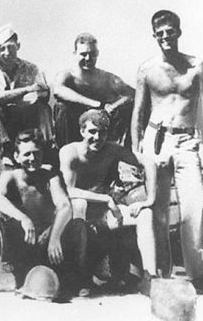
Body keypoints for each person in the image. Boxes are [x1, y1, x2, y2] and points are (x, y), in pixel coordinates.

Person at [131, 10, 203, 296]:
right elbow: (138, 112)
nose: (166, 37)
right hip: (156, 139)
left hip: (187, 141)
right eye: (160, 33)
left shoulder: (196, 67)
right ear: (154, 36)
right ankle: (161, 274)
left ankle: (200, 276)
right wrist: (137, 150)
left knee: (194, 207)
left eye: (170, 31)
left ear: (178, 32)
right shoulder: (147, 70)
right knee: (158, 210)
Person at [59, 109, 157, 293]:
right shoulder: (70, 152)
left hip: (103, 215)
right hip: (76, 218)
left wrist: (149, 200)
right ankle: (80, 279)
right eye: (92, 132)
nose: (98, 137)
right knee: (80, 203)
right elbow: (68, 191)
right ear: (82, 132)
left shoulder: (111, 150)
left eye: (103, 132)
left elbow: (149, 163)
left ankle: (150, 278)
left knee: (146, 214)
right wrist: (105, 198)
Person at [0, 130, 88, 298]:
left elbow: (64, 206)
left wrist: (54, 238)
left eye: (36, 154)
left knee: (78, 225)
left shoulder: (51, 176)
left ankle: (75, 280)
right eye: (27, 155)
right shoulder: (9, 176)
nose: (32, 159)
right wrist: (24, 219)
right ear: (17, 157)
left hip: (48, 242)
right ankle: (19, 276)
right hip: (24, 242)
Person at [0, 24, 53, 166]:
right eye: (2, 49)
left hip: (17, 120)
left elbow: (42, 92)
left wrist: (11, 98)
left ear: (18, 46)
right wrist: (25, 91)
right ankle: (6, 152)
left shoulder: (31, 69)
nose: (7, 52)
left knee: (43, 108)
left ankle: (46, 149)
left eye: (11, 47)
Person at [53, 33, 134, 148]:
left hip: (101, 127)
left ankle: (124, 151)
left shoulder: (107, 78)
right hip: (74, 130)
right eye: (83, 54)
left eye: (92, 54)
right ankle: (64, 154)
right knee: (62, 107)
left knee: (129, 106)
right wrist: (97, 104)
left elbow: (132, 94)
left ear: (97, 53)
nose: (88, 59)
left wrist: (114, 106)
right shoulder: (67, 75)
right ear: (75, 54)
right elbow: (58, 90)